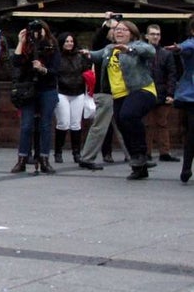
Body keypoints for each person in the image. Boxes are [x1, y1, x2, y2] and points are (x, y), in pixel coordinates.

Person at [83, 19, 157, 180]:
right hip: (118, 95)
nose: (119, 32)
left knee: (128, 116)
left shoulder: (138, 46)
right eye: (117, 29)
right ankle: (140, 168)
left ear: (132, 33)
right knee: (124, 126)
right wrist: (85, 53)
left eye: (124, 29)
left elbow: (150, 51)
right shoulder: (109, 49)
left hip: (141, 90)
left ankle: (141, 154)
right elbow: (95, 55)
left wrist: (129, 49)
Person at [10, 20, 60, 175]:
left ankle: (44, 159)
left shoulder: (52, 47)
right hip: (28, 89)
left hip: (47, 89)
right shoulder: (27, 46)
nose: (37, 32)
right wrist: (21, 42)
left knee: (45, 125)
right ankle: (22, 159)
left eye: (40, 29)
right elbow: (16, 62)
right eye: (34, 30)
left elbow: (56, 70)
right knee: (26, 126)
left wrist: (43, 69)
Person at [79, 14, 128, 166]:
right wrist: (107, 23)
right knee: (100, 127)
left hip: (120, 92)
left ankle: (135, 157)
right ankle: (86, 158)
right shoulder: (104, 47)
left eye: (119, 29)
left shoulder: (123, 48)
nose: (116, 32)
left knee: (124, 126)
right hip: (105, 92)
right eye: (114, 29)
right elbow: (97, 41)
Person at [53, 31, 92, 167]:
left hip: (78, 91)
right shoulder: (56, 56)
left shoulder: (80, 56)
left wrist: (88, 57)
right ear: (62, 43)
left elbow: (87, 70)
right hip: (62, 92)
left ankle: (77, 152)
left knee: (76, 123)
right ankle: (58, 152)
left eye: (71, 41)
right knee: (63, 122)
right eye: (66, 41)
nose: (69, 44)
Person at [165, 14, 194, 183]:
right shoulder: (190, 43)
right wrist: (178, 49)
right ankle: (187, 167)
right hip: (191, 95)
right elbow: (186, 47)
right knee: (192, 132)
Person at [144, 23, 177, 162]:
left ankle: (165, 152)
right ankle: (146, 152)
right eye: (152, 34)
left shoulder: (166, 54)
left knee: (163, 123)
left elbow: (172, 74)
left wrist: (170, 93)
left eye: (157, 34)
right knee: (147, 124)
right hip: (146, 92)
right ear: (147, 36)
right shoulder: (142, 52)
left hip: (162, 92)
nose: (155, 37)